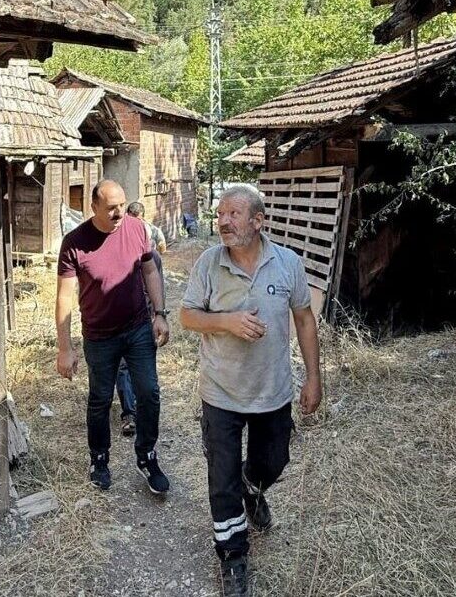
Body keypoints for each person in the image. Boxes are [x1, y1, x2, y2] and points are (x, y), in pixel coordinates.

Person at [180, 185, 322, 596]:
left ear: (258, 222)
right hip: (221, 391)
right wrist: (226, 321)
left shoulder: (287, 264)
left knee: (272, 461)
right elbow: (188, 315)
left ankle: (253, 487)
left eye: (234, 214)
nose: (223, 221)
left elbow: (305, 319)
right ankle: (233, 556)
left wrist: (314, 377)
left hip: (272, 389)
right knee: (221, 480)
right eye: (221, 214)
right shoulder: (209, 263)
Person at [56, 180, 171, 494]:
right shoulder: (74, 242)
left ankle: (146, 456)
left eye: (122, 205)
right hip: (99, 336)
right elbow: (65, 297)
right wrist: (64, 347)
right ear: (94, 207)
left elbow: (149, 271)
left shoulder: (136, 229)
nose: (119, 212)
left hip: (137, 329)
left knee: (149, 393)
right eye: (111, 208)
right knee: (100, 400)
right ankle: (99, 458)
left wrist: (159, 313)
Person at [113, 201, 167, 437]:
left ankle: (138, 413)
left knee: (139, 367)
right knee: (124, 366)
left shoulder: (151, 250)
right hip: (121, 319)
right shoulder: (118, 243)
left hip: (143, 320)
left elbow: (158, 283)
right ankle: (130, 413)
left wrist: (159, 314)